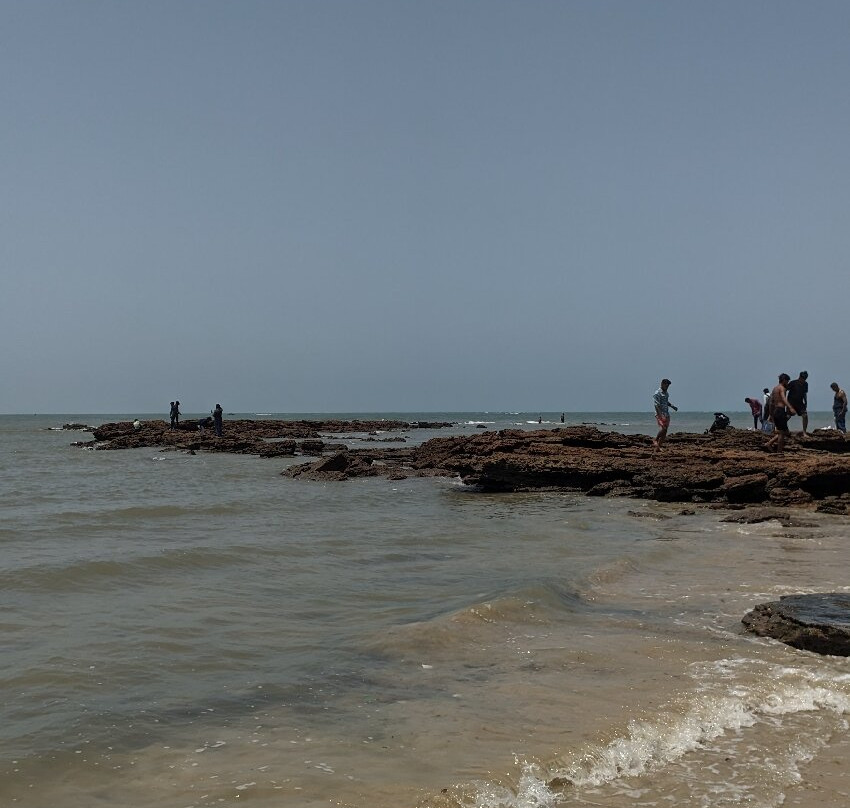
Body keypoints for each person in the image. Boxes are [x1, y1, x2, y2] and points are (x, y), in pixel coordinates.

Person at [766, 373, 796, 453]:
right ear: (784, 380)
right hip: (780, 410)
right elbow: (783, 398)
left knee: (785, 432)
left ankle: (769, 443)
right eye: (787, 381)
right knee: (782, 433)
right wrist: (791, 408)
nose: (788, 383)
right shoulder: (782, 388)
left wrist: (771, 414)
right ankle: (779, 452)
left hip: (776, 411)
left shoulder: (775, 388)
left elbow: (771, 402)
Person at [652, 378, 678, 449]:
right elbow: (656, 405)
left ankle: (658, 447)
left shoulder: (666, 393)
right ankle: (655, 440)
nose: (667, 387)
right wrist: (660, 415)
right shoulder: (657, 393)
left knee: (665, 431)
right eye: (666, 386)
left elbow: (666, 402)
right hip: (660, 413)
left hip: (666, 413)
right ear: (662, 384)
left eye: (668, 386)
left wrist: (672, 406)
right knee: (663, 428)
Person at [786, 371, 809, 435]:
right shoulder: (793, 383)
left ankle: (804, 432)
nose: (804, 380)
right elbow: (785, 390)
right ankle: (780, 429)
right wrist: (784, 401)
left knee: (805, 415)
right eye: (803, 378)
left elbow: (805, 393)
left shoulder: (806, 384)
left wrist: (806, 402)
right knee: (788, 416)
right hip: (791, 403)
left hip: (800, 403)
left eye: (805, 379)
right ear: (800, 377)